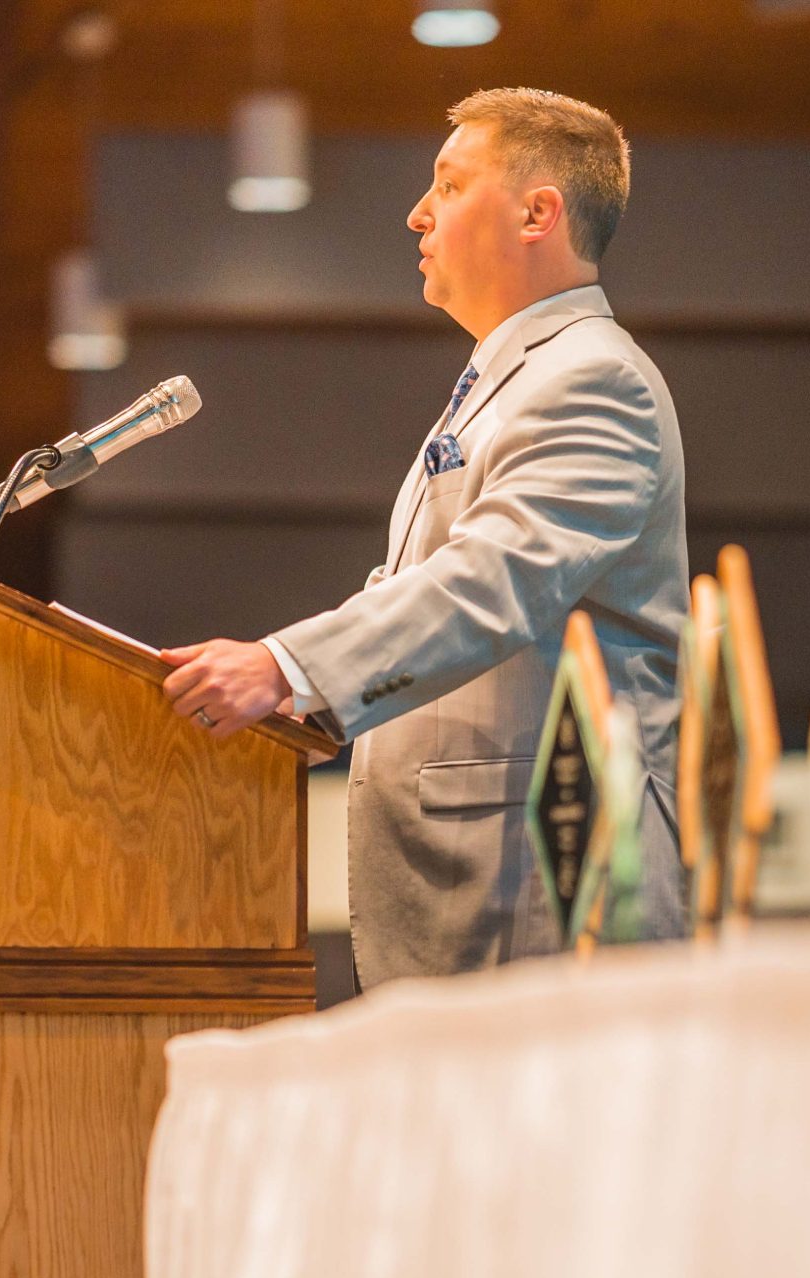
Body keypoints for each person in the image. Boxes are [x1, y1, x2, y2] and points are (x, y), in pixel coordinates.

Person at [160, 87, 688, 989]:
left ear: (537, 212)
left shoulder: (595, 379)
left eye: (448, 184)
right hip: (493, 883)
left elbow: (493, 581)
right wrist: (302, 701)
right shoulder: (513, 379)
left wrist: (285, 667)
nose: (417, 213)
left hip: (555, 882)